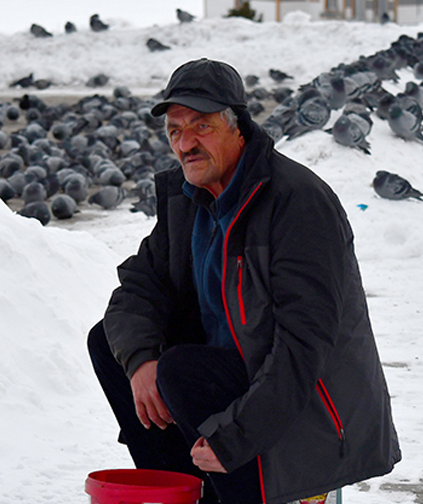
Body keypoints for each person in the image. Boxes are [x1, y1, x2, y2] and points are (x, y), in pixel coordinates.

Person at [88, 58, 401, 504]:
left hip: (308, 410)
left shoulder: (296, 202)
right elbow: (137, 289)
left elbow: (305, 347)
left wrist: (234, 438)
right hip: (238, 385)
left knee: (182, 372)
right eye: (175, 131)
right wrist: (139, 362)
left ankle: (263, 492)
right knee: (111, 343)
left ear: (238, 127)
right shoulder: (187, 198)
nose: (185, 143)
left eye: (201, 126)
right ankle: (186, 489)